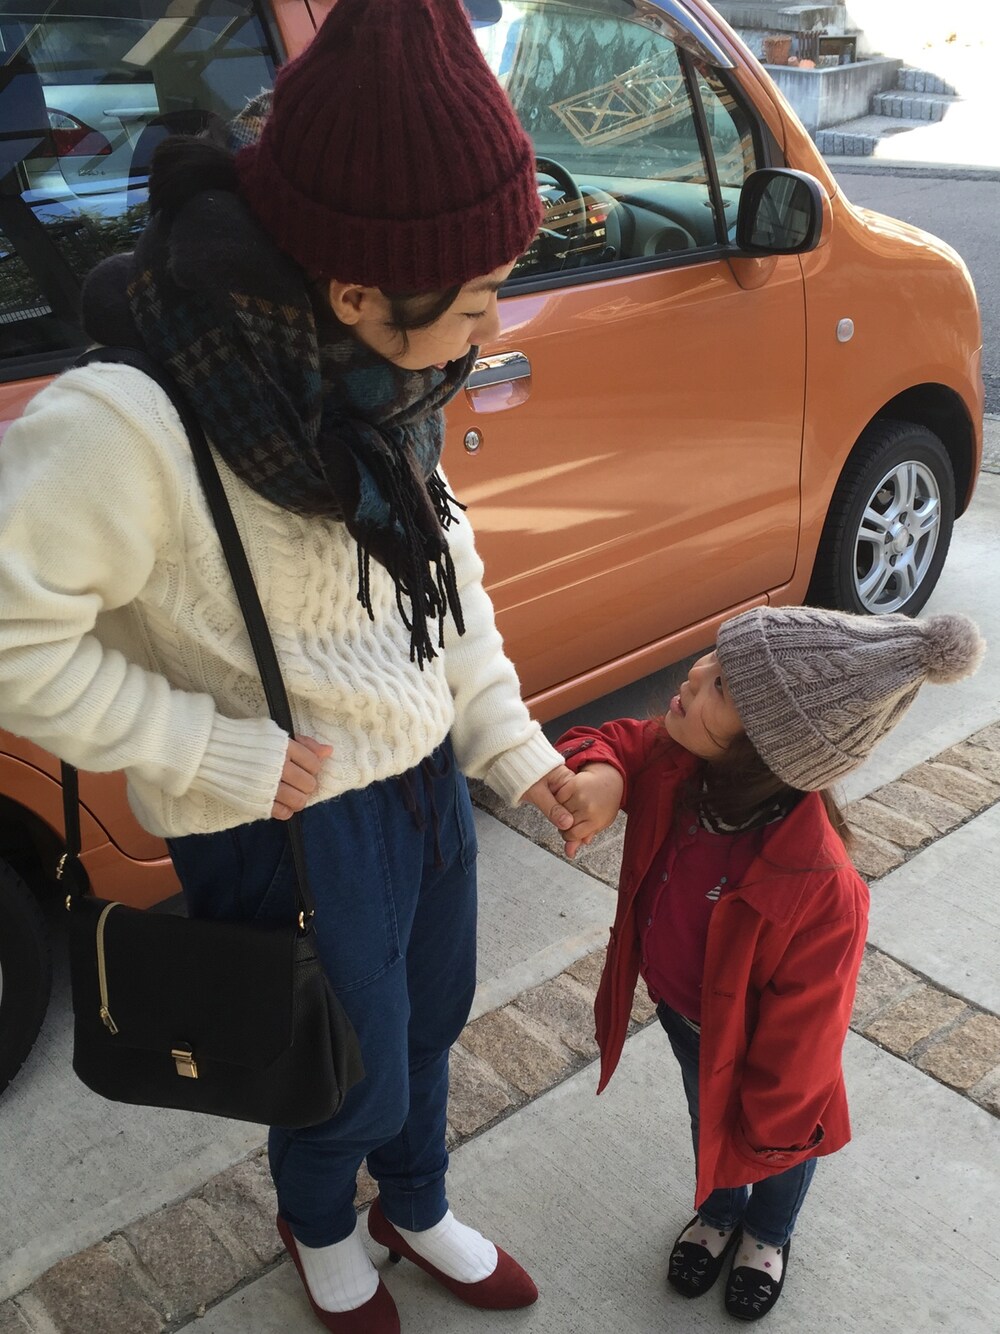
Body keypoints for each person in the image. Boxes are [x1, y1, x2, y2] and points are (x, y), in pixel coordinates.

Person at [0, 2, 579, 1331]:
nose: (492, 326)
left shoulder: (380, 386)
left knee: (428, 1019)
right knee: (334, 1063)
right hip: (281, 810)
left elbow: (442, 575)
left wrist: (512, 746)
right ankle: (320, 1222)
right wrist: (203, 750)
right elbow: (14, 636)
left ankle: (414, 1201)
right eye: (477, 298)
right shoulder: (130, 423)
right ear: (359, 292)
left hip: (417, 781)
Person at [553, 606, 984, 1321]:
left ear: (766, 751)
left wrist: (773, 1130)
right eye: (713, 656)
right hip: (687, 1019)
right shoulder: (679, 762)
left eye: (722, 685)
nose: (694, 675)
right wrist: (603, 773)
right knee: (706, 1117)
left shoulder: (821, 889)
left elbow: (808, 1036)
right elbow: (618, 741)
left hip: (771, 1058)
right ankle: (721, 1211)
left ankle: (770, 1231)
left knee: (776, 1150)